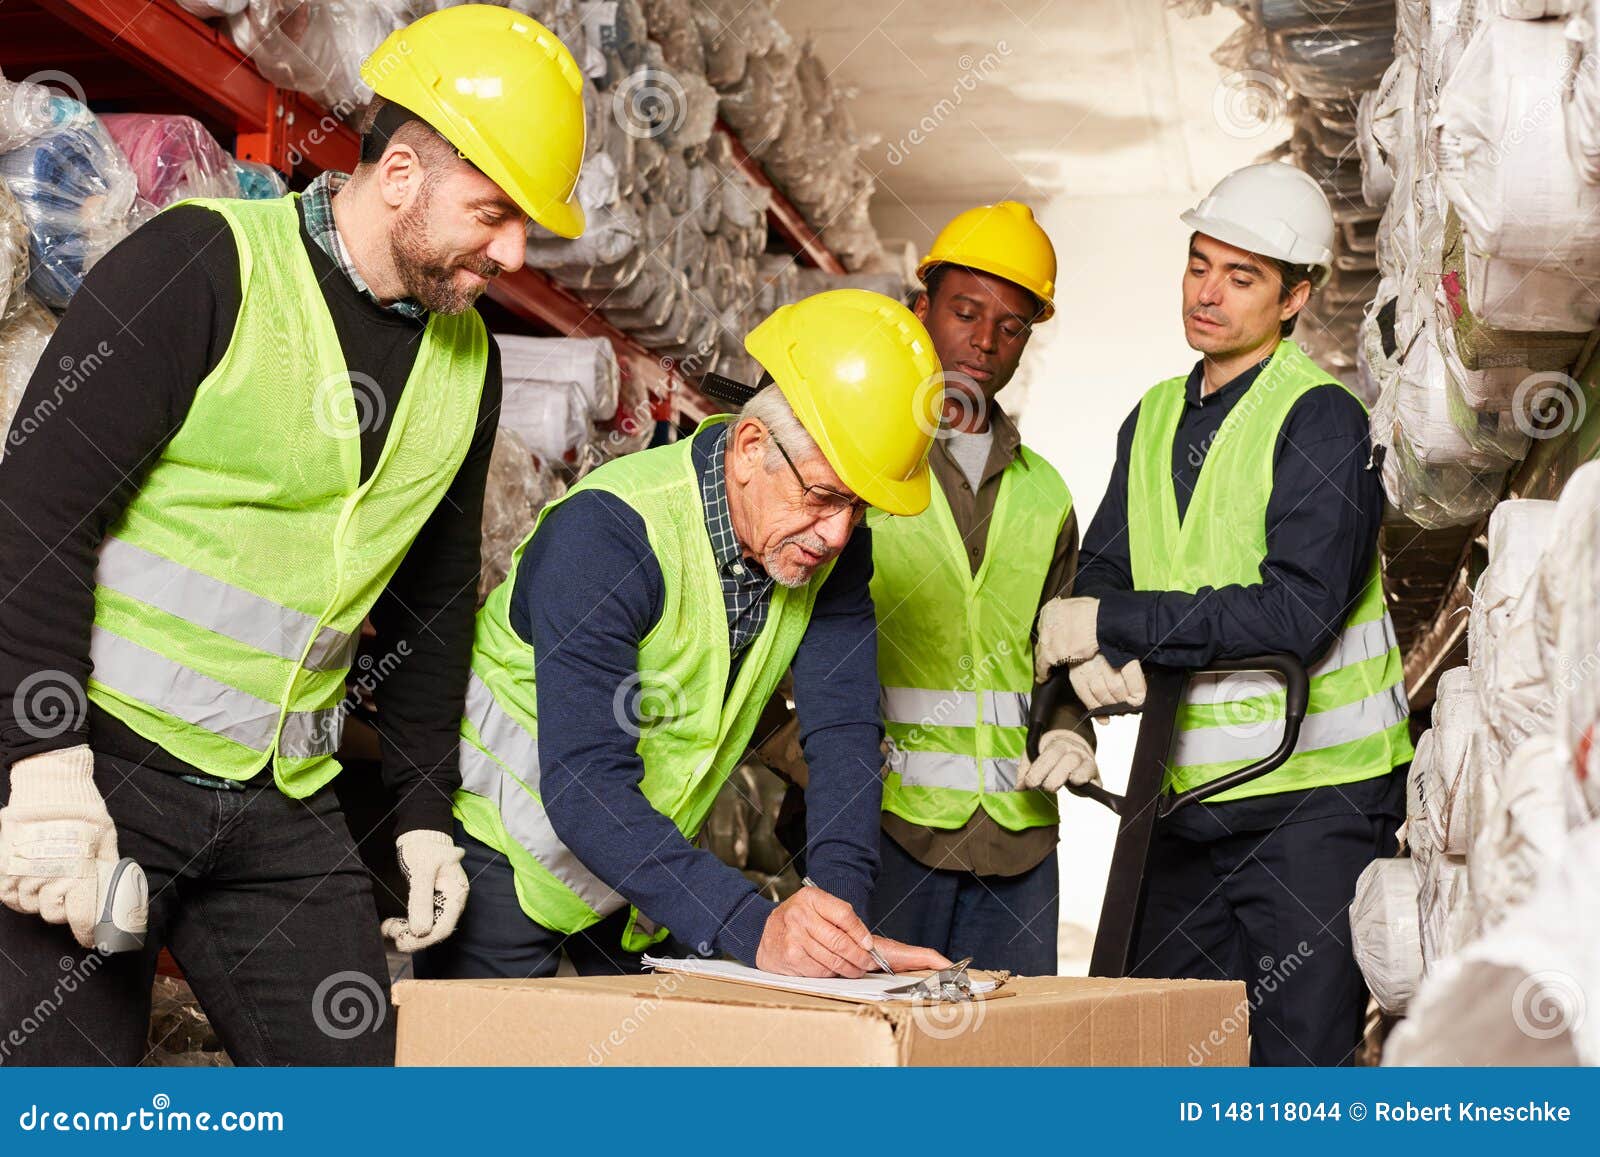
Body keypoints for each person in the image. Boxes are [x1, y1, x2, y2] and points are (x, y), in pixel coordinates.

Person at [0, 6, 587, 1064]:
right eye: (493, 212)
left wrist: (418, 812)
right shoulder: (200, 266)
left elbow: (436, 603)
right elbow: (34, 515)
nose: (511, 250)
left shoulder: (469, 365)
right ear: (401, 173)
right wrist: (39, 765)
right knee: (61, 1101)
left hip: (281, 808)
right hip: (104, 766)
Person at [415, 289, 955, 981]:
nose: (837, 533)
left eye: (860, 506)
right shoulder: (607, 535)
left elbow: (845, 737)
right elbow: (585, 783)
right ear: (750, 448)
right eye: (823, 495)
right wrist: (753, 928)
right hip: (500, 859)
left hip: (635, 878)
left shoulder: (832, 554)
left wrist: (832, 919)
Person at [1036, 161, 1412, 1065]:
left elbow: (1297, 612)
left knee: (1297, 1067)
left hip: (1313, 806)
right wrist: (1074, 706)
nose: (1209, 292)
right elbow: (1108, 571)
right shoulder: (1154, 416)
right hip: (1186, 800)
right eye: (1200, 264)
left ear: (1295, 299)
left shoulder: (1323, 420)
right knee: (1159, 1045)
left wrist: (1120, 628)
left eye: (1241, 278)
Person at [859, 202, 1089, 975]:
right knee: (884, 1059)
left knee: (1016, 1061)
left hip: (1018, 842)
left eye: (1013, 325)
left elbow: (1059, 660)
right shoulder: (863, 461)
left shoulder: (1046, 493)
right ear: (921, 308)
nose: (985, 341)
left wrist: (1073, 730)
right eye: (965, 311)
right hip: (889, 831)